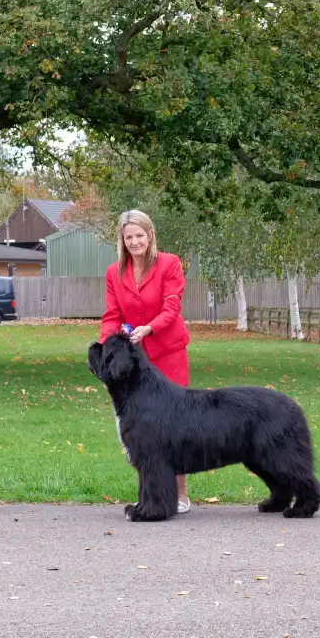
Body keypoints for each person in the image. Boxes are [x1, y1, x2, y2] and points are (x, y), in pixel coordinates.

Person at [98, 209, 193, 514]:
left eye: (140, 235)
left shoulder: (170, 263)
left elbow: (171, 307)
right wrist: (105, 349)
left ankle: (180, 495)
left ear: (150, 235)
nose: (135, 241)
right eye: (129, 237)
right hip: (135, 362)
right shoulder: (114, 272)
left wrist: (150, 327)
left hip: (168, 353)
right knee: (141, 429)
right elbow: (112, 315)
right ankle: (152, 497)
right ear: (122, 241)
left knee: (173, 426)